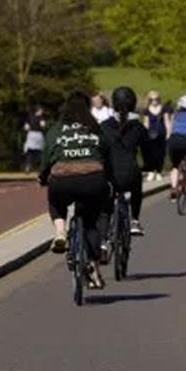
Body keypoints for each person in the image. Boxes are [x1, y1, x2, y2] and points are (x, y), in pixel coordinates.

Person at [39, 91, 112, 289]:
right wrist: (109, 179)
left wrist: (43, 177)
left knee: (56, 202)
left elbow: (47, 158)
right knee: (91, 223)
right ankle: (95, 269)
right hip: (93, 179)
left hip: (62, 179)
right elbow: (106, 155)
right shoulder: (96, 129)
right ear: (88, 108)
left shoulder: (56, 130)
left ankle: (60, 232)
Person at [101, 87, 148, 237]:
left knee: (106, 204)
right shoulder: (138, 127)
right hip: (130, 174)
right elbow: (148, 151)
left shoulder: (104, 126)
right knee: (137, 186)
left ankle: (103, 238)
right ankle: (134, 220)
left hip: (109, 175)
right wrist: (149, 165)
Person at [141, 90, 167, 181]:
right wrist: (144, 134)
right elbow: (146, 122)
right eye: (152, 99)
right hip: (151, 134)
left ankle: (159, 171)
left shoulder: (163, 109)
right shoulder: (147, 110)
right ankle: (151, 171)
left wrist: (168, 134)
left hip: (161, 134)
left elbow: (167, 122)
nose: (154, 101)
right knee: (151, 154)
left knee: (160, 154)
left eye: (156, 99)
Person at [22, 104, 47, 173]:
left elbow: (26, 127)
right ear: (39, 110)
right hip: (38, 135)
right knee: (39, 152)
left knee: (29, 151)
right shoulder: (41, 118)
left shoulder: (30, 117)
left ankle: (28, 165)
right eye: (42, 110)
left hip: (31, 134)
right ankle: (41, 167)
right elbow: (43, 126)